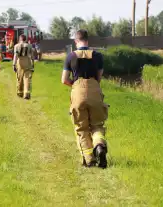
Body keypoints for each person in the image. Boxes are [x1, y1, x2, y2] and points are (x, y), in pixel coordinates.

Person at [62, 29, 109, 169]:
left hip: (78, 92)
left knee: (81, 128)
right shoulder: (98, 56)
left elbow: (64, 80)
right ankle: (99, 145)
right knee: (97, 125)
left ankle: (89, 159)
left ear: (76, 41)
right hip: (95, 91)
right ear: (87, 41)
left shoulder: (71, 56)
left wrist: (75, 85)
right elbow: (99, 78)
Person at [13, 34, 34, 100]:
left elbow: (15, 56)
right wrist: (33, 63)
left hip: (20, 62)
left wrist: (14, 64)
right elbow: (32, 56)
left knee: (19, 77)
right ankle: (26, 93)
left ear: (20, 39)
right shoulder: (29, 46)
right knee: (27, 78)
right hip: (27, 61)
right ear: (25, 39)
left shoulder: (16, 46)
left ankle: (20, 92)